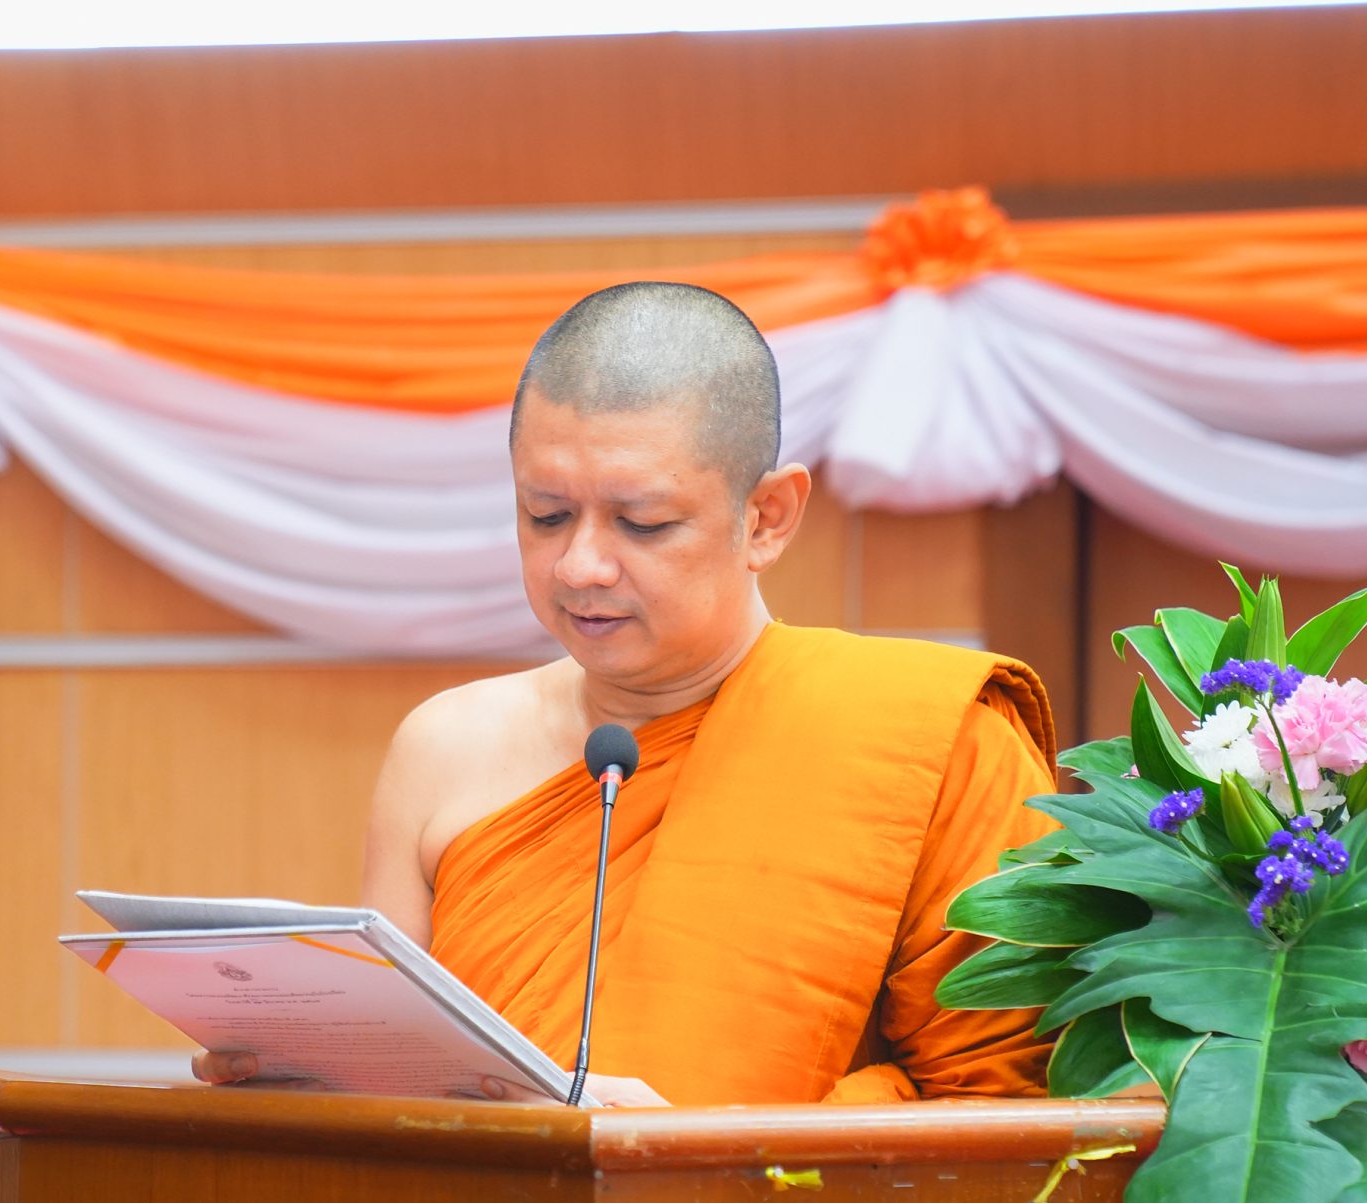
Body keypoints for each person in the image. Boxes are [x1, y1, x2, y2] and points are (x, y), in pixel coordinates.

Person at [197, 281, 1058, 1108]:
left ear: (765, 518)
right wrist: (308, 1077)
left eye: (642, 523)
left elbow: (1008, 1111)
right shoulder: (445, 747)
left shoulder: (930, 741)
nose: (580, 566)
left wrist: (702, 1144)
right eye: (545, 515)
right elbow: (395, 1084)